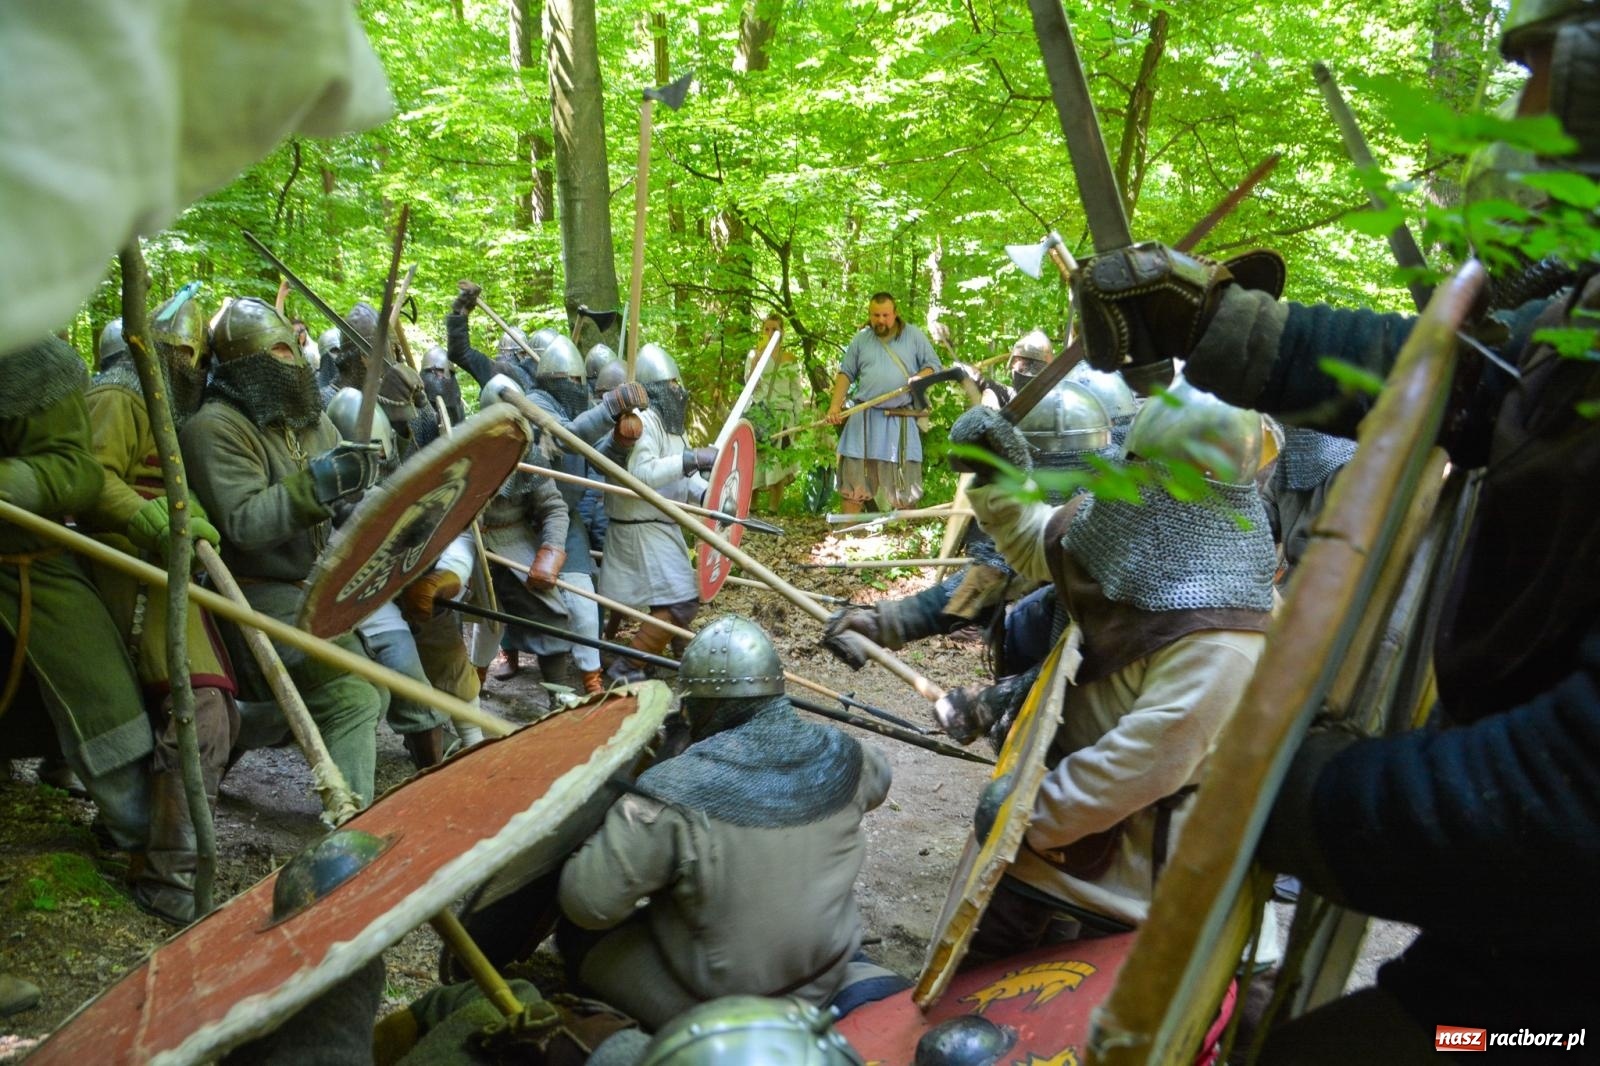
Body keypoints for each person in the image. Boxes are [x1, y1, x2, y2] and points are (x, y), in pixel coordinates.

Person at [1065, 4, 1600, 1052]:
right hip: (1526, 948)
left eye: (1543, 74)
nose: (1517, 117)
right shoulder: (1582, 317)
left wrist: (1299, 792)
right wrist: (1216, 324)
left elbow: (1571, 802)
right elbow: (1477, 382)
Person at [949, 377, 1277, 956]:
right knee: (979, 970)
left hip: (1138, 889)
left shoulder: (1228, 630)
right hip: (1053, 849)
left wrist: (1033, 814)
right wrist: (999, 476)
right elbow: (1036, 542)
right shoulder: (1129, 526)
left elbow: (1148, 760)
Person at [557, 616, 894, 1029]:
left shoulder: (673, 790)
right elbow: (881, 780)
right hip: (827, 966)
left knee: (577, 936)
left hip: (735, 1002)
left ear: (705, 705)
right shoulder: (846, 756)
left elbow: (588, 903)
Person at [180, 297, 386, 807]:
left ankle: (244, 724)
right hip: (249, 596)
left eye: (292, 348)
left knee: (376, 688)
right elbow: (244, 524)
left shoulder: (308, 420)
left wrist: (359, 496)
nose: (291, 361)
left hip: (311, 584)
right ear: (243, 366)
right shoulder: (214, 427)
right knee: (354, 694)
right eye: (275, 353)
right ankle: (351, 821)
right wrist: (319, 485)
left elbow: (340, 501)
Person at [78, 287, 242, 924]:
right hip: (123, 567)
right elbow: (89, 480)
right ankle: (169, 876)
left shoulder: (163, 406)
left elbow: (167, 481)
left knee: (216, 710)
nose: (192, 366)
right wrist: (151, 519)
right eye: (182, 355)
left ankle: (153, 845)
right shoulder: (118, 396)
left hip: (165, 569)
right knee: (200, 708)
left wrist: (190, 514)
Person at [0, 336, 154, 877]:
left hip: (25, 563)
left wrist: (12, 481)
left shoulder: (31, 360)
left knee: (100, 694)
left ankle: (140, 837)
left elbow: (79, 471)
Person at [596, 343, 714, 683]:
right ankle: (628, 666)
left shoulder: (672, 428)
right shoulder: (643, 422)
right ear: (657, 389)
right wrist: (692, 459)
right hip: (639, 527)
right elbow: (641, 475)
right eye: (671, 384)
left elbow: (685, 477)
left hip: (660, 525)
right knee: (680, 602)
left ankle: (677, 652)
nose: (678, 390)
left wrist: (710, 494)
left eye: (678, 383)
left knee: (674, 599)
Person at [825, 292, 942, 513]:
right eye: (875, 315)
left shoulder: (914, 336)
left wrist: (919, 377)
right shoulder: (861, 339)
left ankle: (907, 532)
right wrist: (834, 406)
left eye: (885, 315)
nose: (880, 320)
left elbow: (934, 366)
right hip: (864, 418)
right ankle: (846, 531)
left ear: (895, 313)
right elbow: (846, 373)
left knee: (905, 487)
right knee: (853, 484)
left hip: (899, 418)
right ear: (869, 314)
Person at [746, 313, 809, 512]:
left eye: (775, 329)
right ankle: (752, 507)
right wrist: (756, 361)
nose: (770, 332)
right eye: (767, 328)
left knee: (779, 463)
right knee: (756, 460)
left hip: (783, 415)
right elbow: (749, 387)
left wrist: (799, 420)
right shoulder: (753, 355)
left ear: (782, 333)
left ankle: (774, 509)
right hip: (760, 413)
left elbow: (796, 392)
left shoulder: (790, 358)